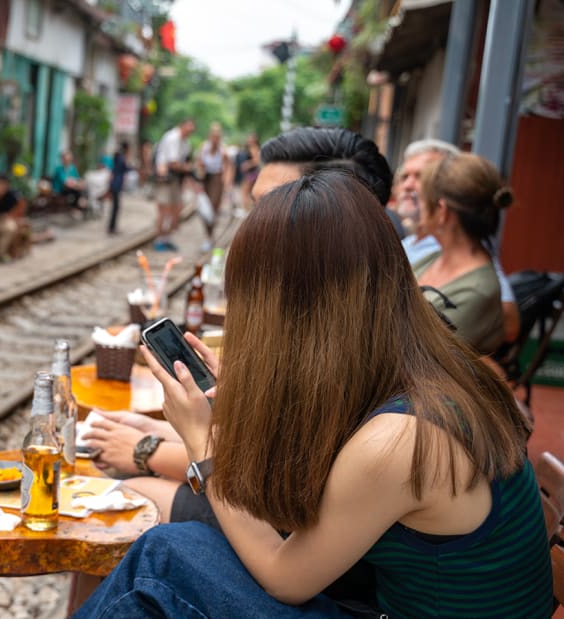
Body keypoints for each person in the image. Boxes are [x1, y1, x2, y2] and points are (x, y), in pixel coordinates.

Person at [76, 168, 551, 618]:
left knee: (165, 558)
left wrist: (203, 443)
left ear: (290, 312)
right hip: (387, 598)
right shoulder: (433, 367)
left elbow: (286, 578)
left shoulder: (397, 440)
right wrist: (243, 404)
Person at [396, 139, 519, 343]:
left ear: (442, 212)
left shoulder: (476, 289)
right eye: (405, 176)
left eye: (424, 196)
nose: (410, 189)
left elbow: (421, 355)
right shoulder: (436, 257)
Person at [154, 119, 196, 251]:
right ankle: (160, 239)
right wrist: (187, 168)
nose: (189, 132)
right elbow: (173, 163)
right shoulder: (172, 138)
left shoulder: (186, 142)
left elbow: (182, 163)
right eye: (188, 129)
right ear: (182, 126)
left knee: (176, 210)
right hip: (165, 179)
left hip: (176, 180)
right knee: (164, 210)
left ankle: (167, 238)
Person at [198, 122, 231, 217]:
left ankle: (212, 217)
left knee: (215, 200)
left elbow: (228, 165)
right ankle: (209, 219)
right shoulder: (205, 146)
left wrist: (227, 179)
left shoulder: (222, 149)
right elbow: (199, 161)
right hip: (206, 176)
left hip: (217, 176)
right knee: (206, 200)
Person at [106, 142, 130, 235]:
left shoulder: (117, 157)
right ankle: (112, 228)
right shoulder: (122, 158)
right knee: (116, 207)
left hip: (114, 184)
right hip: (117, 184)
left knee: (115, 207)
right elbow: (126, 169)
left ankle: (112, 227)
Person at [234, 132, 261, 210]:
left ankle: (245, 209)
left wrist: (247, 164)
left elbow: (257, 160)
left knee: (245, 192)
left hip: (251, 173)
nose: (249, 139)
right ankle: (248, 209)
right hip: (252, 173)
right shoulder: (250, 148)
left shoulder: (254, 148)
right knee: (249, 192)